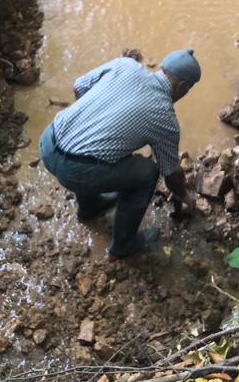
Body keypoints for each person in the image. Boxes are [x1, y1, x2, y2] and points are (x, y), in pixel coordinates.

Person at [39, 48, 200, 260]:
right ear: (182, 87)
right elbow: (171, 174)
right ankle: (123, 244)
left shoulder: (126, 65)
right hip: (76, 172)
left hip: (48, 143)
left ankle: (89, 207)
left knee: (94, 152)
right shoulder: (165, 118)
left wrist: (95, 124)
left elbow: (79, 86)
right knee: (149, 172)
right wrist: (185, 196)